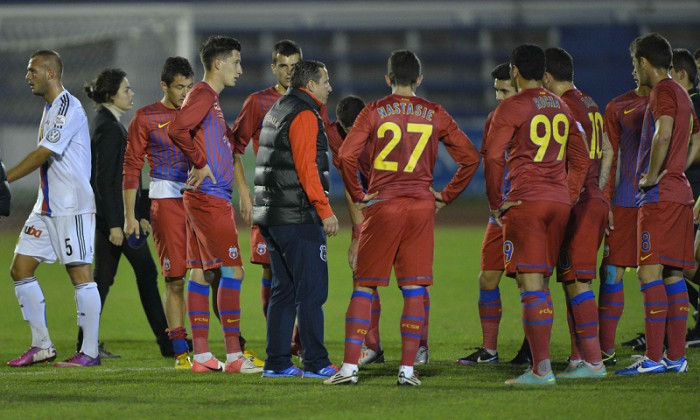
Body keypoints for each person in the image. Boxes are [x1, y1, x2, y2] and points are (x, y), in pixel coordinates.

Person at [326, 50, 480, 386]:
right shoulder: (434, 112)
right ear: (419, 79)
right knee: (413, 288)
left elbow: (347, 156)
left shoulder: (375, 110)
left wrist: (359, 194)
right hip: (421, 206)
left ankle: (350, 369)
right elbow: (470, 157)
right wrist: (447, 195)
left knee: (365, 285)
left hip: (384, 204)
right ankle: (408, 370)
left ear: (388, 79)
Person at [483, 44, 589, 386]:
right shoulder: (561, 105)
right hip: (558, 203)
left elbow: (494, 157)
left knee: (531, 286)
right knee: (542, 282)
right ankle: (551, 364)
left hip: (526, 201)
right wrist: (569, 194)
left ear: (515, 70)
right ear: (543, 71)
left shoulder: (511, 106)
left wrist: (495, 201)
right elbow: (581, 156)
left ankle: (541, 370)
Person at [168, 35, 261, 374]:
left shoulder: (210, 99)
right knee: (233, 270)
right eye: (235, 62)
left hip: (205, 197)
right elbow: (178, 129)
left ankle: (204, 356)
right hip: (210, 197)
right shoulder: (204, 94)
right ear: (218, 63)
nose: (240, 68)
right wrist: (199, 161)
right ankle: (236, 358)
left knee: (200, 272)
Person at [7, 50, 101, 367]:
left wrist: (4, 177)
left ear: (50, 73)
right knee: (20, 269)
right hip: (46, 207)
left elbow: (43, 153)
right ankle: (42, 345)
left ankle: (89, 353)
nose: (27, 76)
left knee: (80, 274)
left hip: (71, 206)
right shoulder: (49, 109)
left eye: (32, 70)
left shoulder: (66, 106)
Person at [616, 33, 699, 375]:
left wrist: (652, 175)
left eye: (635, 64)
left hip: (659, 196)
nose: (634, 72)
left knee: (648, 272)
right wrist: (679, 167)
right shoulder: (682, 93)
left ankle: (652, 359)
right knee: (673, 274)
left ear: (645, 63)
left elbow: (663, 133)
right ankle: (676, 358)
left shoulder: (663, 92)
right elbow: (694, 134)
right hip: (680, 193)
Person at [253, 59, 339, 379]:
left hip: (273, 215)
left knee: (284, 290)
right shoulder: (304, 113)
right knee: (312, 291)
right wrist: (324, 209)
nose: (329, 87)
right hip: (297, 216)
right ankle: (316, 362)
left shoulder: (278, 108)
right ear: (310, 85)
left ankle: (276, 363)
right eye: (325, 81)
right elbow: (306, 168)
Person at [84, 68, 169, 359]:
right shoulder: (109, 128)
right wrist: (114, 224)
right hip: (117, 221)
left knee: (103, 281)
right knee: (144, 272)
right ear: (111, 95)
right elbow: (106, 180)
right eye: (126, 90)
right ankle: (168, 343)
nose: (131, 94)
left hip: (117, 218)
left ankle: (87, 343)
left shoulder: (107, 123)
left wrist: (139, 211)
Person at [122, 57, 199, 369]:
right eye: (179, 87)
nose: (185, 93)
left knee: (214, 274)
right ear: (164, 85)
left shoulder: (199, 111)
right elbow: (131, 168)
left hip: (201, 201)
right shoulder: (146, 117)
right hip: (166, 202)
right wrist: (130, 215)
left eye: (189, 86)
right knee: (176, 279)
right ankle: (180, 351)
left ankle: (223, 348)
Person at [230, 40, 302, 364]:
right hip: (269, 199)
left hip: (301, 200)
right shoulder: (258, 102)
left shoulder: (309, 101)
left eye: (294, 66)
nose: (289, 72)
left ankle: (298, 339)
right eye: (283, 66)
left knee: (303, 272)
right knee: (270, 271)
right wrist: (245, 193)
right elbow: (235, 148)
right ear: (273, 68)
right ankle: (282, 340)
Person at [543, 47, 611, 378]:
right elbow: (610, 150)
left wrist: (574, 194)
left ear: (546, 76)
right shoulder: (589, 102)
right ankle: (577, 359)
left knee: (579, 283)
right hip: (592, 198)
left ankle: (594, 362)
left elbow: (570, 159)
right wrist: (601, 191)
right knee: (571, 280)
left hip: (579, 202)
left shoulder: (564, 106)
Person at [457, 62, 530, 366]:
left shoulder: (532, 119)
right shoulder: (493, 120)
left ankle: (531, 350)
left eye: (506, 90)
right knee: (487, 279)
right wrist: (494, 202)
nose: (500, 97)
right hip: (498, 212)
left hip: (525, 210)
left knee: (528, 282)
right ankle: (489, 351)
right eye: (497, 90)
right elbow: (491, 161)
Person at [328, 95, 388, 365]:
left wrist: (358, 237)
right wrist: (358, 233)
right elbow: (353, 194)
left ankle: (415, 347)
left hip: (391, 204)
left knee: (411, 280)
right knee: (364, 276)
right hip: (370, 206)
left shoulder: (382, 134)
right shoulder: (333, 136)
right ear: (341, 127)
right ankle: (373, 346)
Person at [597, 68, 650, 360]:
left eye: (635, 62)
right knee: (610, 273)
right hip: (626, 202)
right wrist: (606, 201)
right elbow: (610, 156)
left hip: (659, 202)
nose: (632, 69)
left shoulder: (672, 101)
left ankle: (662, 348)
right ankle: (605, 350)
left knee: (662, 275)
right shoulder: (617, 106)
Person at [669, 48, 700, 347]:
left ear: (679, 74)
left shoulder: (691, 104)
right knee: (677, 265)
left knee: (679, 265)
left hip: (694, 196)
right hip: (689, 194)